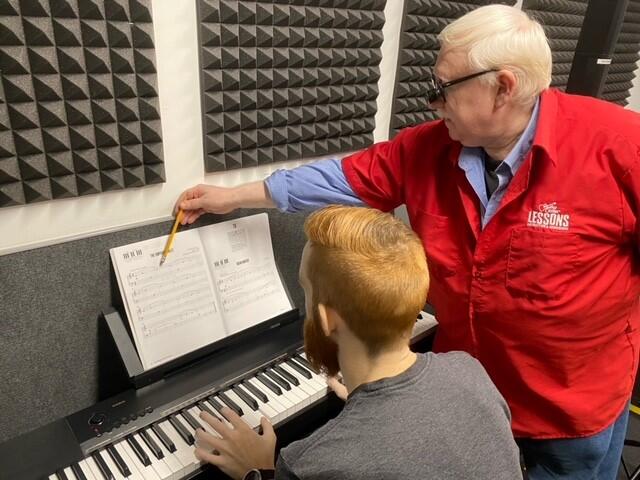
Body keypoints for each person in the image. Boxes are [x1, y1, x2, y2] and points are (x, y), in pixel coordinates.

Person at [177, 5, 640, 479]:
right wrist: (233, 197)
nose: (431, 102)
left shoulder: (622, 147)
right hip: (464, 394)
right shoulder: (428, 147)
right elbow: (340, 178)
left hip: (569, 414)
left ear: (503, 87)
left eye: (443, 89)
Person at [193, 205, 522, 479]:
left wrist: (258, 469)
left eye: (303, 290)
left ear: (327, 319)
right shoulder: (470, 371)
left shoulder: (314, 464)